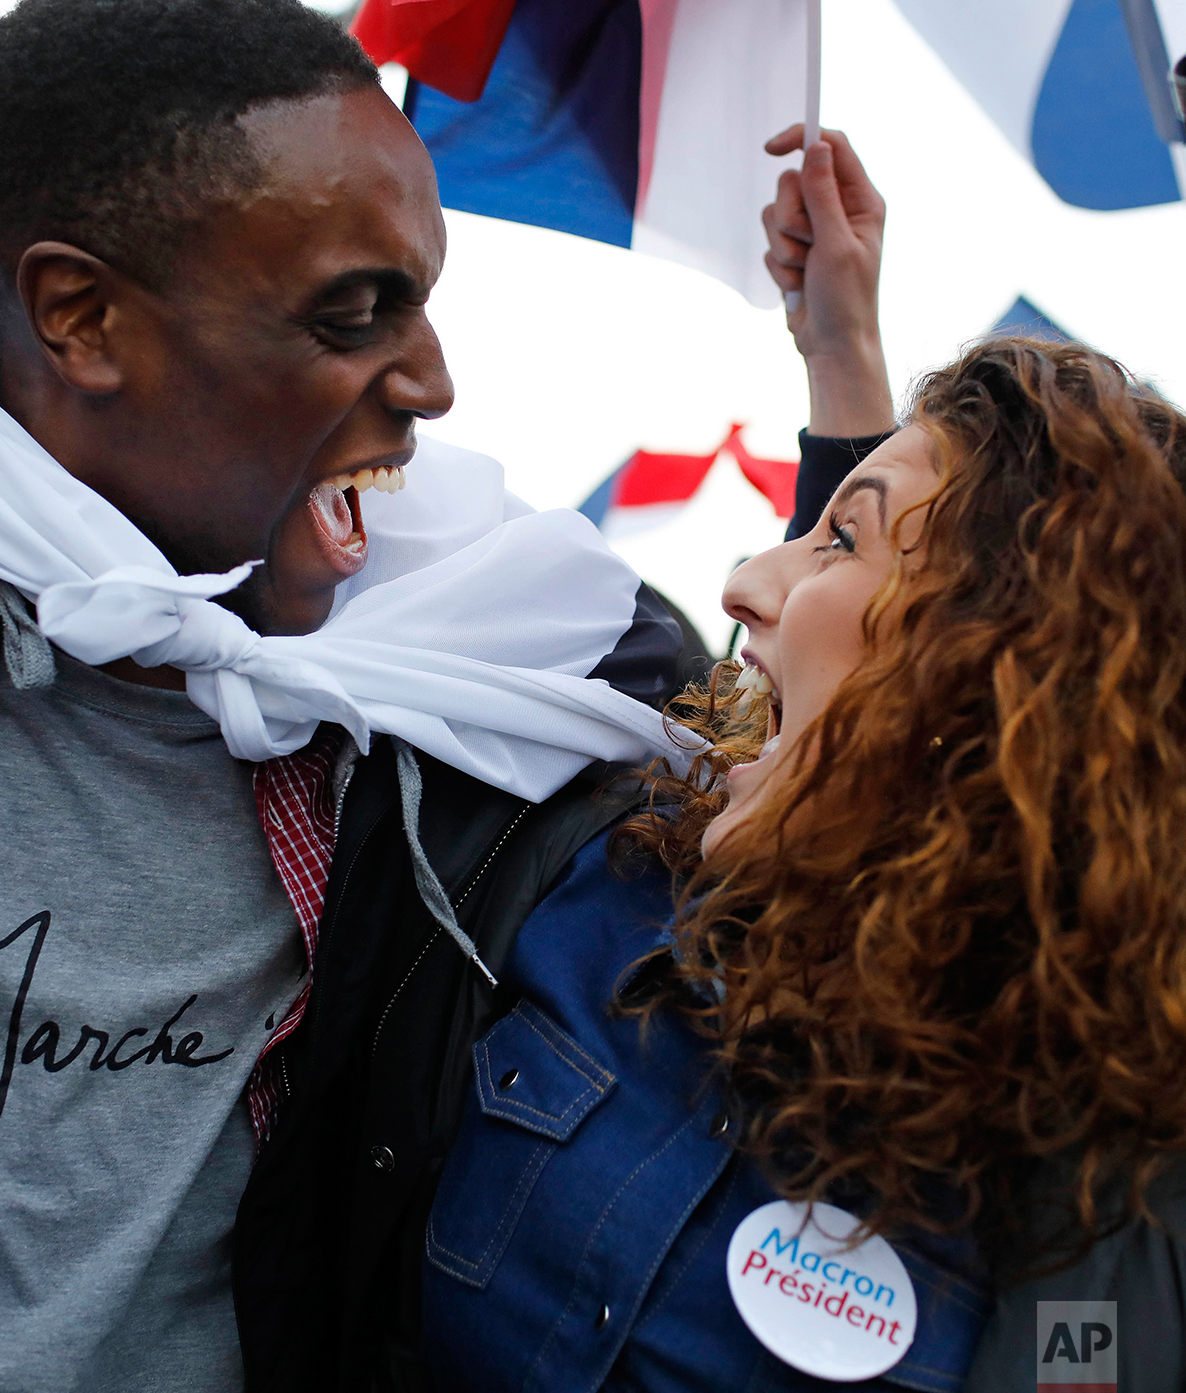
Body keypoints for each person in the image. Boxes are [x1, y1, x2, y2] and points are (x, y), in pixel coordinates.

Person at [0, 3, 698, 1391]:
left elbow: (869, 718)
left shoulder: (488, 661)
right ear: (81, 319)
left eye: (425, 298)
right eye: (353, 314)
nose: (436, 383)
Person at [419, 256, 1186, 1392]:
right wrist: (837, 360)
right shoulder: (574, 875)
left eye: (835, 540)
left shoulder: (1102, 1195)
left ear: (993, 677)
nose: (737, 583)